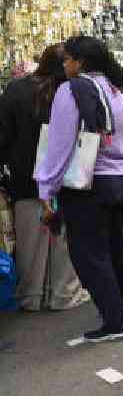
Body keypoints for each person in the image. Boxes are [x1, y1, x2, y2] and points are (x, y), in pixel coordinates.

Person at [35, 36, 123, 341]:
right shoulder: (115, 91)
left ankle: (115, 322)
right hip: (118, 180)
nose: (65, 65)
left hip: (88, 184)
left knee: (88, 255)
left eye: (67, 59)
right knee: (114, 244)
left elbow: (60, 145)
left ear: (79, 62)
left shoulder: (71, 91)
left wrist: (47, 188)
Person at [0, 44, 88, 312]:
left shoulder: (16, 89)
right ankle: (64, 293)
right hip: (65, 176)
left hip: (25, 178)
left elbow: (3, 137)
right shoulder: (71, 91)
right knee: (63, 240)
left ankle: (30, 295)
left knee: (29, 241)